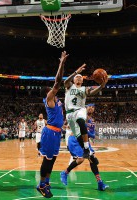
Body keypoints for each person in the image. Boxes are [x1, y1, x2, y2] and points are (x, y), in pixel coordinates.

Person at [36, 51, 68, 198]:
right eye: (51, 88)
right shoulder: (49, 97)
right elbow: (58, 81)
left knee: (52, 159)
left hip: (56, 132)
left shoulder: (55, 99)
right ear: (48, 92)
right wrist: (61, 63)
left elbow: (62, 82)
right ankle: (41, 185)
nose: (53, 88)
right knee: (47, 161)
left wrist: (76, 73)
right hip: (50, 133)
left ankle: (47, 182)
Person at [60, 104, 109, 191]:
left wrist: (94, 136)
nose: (91, 108)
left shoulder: (92, 121)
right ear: (85, 108)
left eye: (93, 107)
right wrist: (94, 136)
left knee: (92, 160)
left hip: (84, 141)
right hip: (75, 139)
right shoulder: (81, 116)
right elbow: (86, 131)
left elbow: (91, 133)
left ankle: (100, 183)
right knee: (81, 159)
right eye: (89, 106)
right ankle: (65, 173)